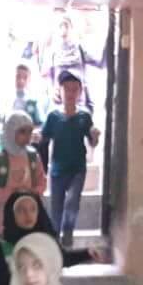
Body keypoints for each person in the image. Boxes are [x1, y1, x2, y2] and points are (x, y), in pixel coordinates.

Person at [0, 191, 102, 285]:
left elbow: (62, 259)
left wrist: (87, 254)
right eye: (21, 210)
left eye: (33, 209)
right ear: (11, 215)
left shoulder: (47, 241)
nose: (28, 214)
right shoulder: (3, 250)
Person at [39, 71, 101, 247]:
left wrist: (95, 136)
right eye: (67, 89)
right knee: (56, 209)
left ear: (80, 92)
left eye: (75, 89)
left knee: (72, 202)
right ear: (60, 91)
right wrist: (34, 137)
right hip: (57, 170)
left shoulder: (84, 116)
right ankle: (55, 240)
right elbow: (43, 138)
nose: (71, 93)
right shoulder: (53, 116)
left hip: (77, 169)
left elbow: (93, 143)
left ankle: (68, 233)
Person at [0, 112, 47, 237]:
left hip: (28, 220)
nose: (27, 136)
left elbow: (42, 181)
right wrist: (11, 194)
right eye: (22, 132)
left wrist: (32, 192)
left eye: (30, 132)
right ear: (10, 131)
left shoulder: (33, 157)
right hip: (3, 220)